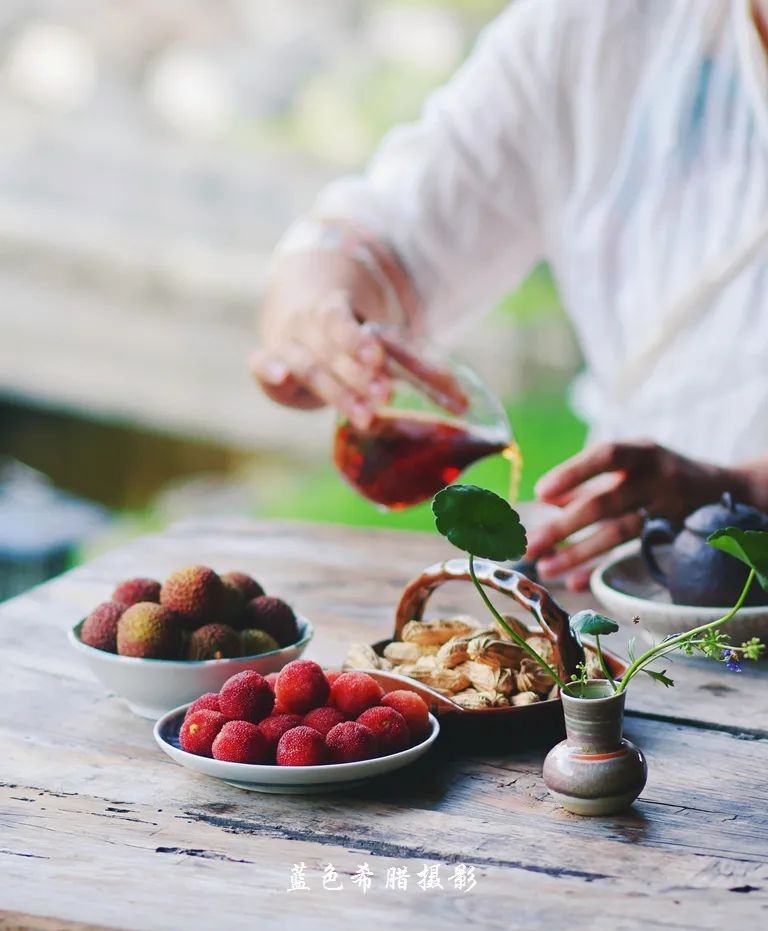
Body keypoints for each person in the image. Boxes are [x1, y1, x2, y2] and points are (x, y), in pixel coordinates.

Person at [252, 0, 768, 589]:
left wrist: (741, 492)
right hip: (623, 578)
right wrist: (319, 318)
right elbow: (383, 231)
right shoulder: (596, 28)